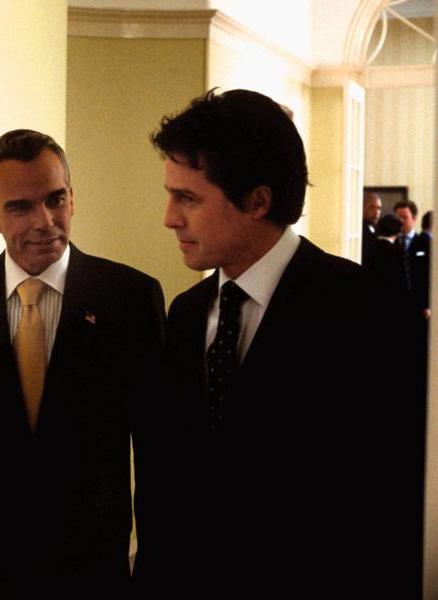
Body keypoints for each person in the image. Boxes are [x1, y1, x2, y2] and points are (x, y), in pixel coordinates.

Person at [141, 89, 424, 598]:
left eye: (188, 198)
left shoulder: (367, 311)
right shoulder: (185, 313)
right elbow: (168, 487)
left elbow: (392, 500)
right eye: (170, 194)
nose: (169, 217)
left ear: (258, 201)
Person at [0, 129, 165, 599]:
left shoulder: (130, 298)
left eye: (55, 199)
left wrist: (159, 574)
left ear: (72, 197)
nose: (45, 221)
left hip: (96, 574)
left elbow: (160, 455)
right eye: (20, 207)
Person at [396, 199, 430, 320]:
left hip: (420, 305)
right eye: (398, 218)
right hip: (397, 304)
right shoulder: (392, 244)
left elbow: (430, 275)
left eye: (404, 217)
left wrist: (429, 305)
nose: (400, 221)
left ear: (414, 218)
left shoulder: (425, 242)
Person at [361, 191, 381, 268]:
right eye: (371, 207)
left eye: (379, 208)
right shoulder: (359, 231)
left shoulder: (377, 230)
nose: (376, 212)